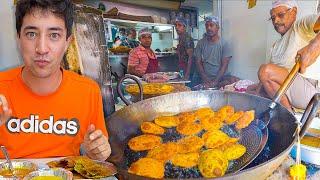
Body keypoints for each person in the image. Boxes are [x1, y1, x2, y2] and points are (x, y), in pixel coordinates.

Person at [0, 0, 111, 160]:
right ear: (18, 38)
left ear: (68, 42)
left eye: (54, 35)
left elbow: (97, 150)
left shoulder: (88, 91)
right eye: (31, 34)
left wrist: (97, 152)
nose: (42, 49)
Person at [250, 0, 320, 110]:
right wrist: (256, 93)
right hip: (286, 89)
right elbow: (267, 79)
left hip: (310, 94)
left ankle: (289, 117)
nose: (276, 21)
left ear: (294, 12)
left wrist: (314, 46)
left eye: (280, 15)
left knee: (265, 71)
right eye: (273, 18)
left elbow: (266, 73)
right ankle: (285, 112)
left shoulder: (300, 26)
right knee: (251, 89)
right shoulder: (275, 46)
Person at [194, 16, 239, 89]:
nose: (208, 28)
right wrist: (205, 78)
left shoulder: (224, 44)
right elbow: (198, 62)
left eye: (211, 25)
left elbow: (224, 65)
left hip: (221, 79)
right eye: (207, 25)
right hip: (205, 78)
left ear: (217, 27)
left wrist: (215, 81)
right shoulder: (201, 43)